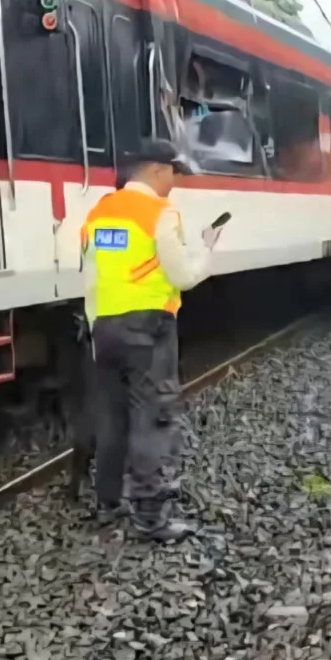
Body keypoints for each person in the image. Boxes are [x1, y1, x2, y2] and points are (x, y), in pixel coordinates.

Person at [81, 139, 222, 541]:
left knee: (112, 418)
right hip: (148, 328)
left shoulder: (100, 212)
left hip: (104, 327)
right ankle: (149, 518)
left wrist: (96, 327)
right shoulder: (160, 212)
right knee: (151, 420)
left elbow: (91, 275)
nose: (174, 184)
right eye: (173, 175)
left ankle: (109, 503)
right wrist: (206, 250)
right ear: (159, 170)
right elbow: (182, 277)